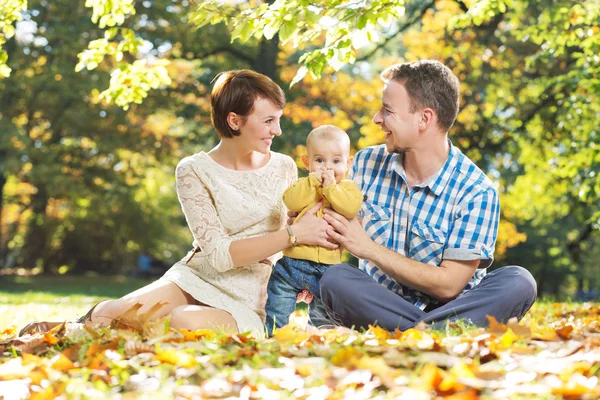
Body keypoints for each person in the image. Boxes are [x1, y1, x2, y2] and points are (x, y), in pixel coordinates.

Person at [19, 69, 335, 339]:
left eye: (278, 120)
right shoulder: (193, 170)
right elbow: (221, 255)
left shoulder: (283, 166)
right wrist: (293, 235)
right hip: (200, 275)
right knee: (111, 316)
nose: (277, 131)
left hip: (253, 293)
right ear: (234, 120)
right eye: (268, 121)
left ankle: (110, 329)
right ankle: (72, 329)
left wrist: (300, 274)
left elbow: (291, 239)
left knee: (183, 320)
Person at [315, 60, 537, 331]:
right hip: (379, 302)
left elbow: (449, 285)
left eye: (387, 111)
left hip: (453, 307)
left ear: (424, 118)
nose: (376, 119)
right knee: (336, 277)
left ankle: (420, 331)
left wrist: (369, 249)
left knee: (519, 281)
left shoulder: (477, 191)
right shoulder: (366, 163)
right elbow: (335, 228)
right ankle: (442, 333)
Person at [265, 125, 362, 335]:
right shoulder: (304, 185)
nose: (327, 167)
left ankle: (323, 336)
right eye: (319, 160)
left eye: (336, 161)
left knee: (325, 310)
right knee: (278, 294)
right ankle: (276, 333)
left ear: (348, 164)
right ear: (307, 163)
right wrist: (312, 182)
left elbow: (350, 208)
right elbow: (290, 201)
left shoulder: (348, 189)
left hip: (328, 270)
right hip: (293, 263)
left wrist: (330, 188)